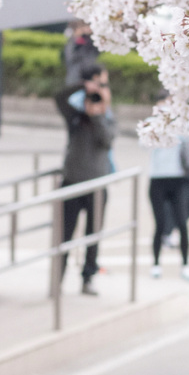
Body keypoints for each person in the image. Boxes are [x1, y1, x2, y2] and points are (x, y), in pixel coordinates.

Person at [54, 64, 116, 295]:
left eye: (104, 85)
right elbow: (59, 98)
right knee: (64, 235)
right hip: (71, 183)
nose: (99, 90)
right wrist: (82, 86)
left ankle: (88, 278)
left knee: (93, 235)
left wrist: (99, 113)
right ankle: (57, 279)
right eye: (98, 84)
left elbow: (107, 140)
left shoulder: (108, 119)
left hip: (96, 187)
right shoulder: (75, 117)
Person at [148, 136, 189, 282]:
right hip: (158, 178)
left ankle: (185, 264)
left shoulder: (183, 123)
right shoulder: (154, 123)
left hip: (179, 178)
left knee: (182, 222)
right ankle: (156, 264)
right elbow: (144, 143)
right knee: (159, 224)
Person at [63, 19, 99, 86]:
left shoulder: (87, 40)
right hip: (76, 78)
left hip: (87, 76)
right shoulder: (73, 42)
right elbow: (71, 58)